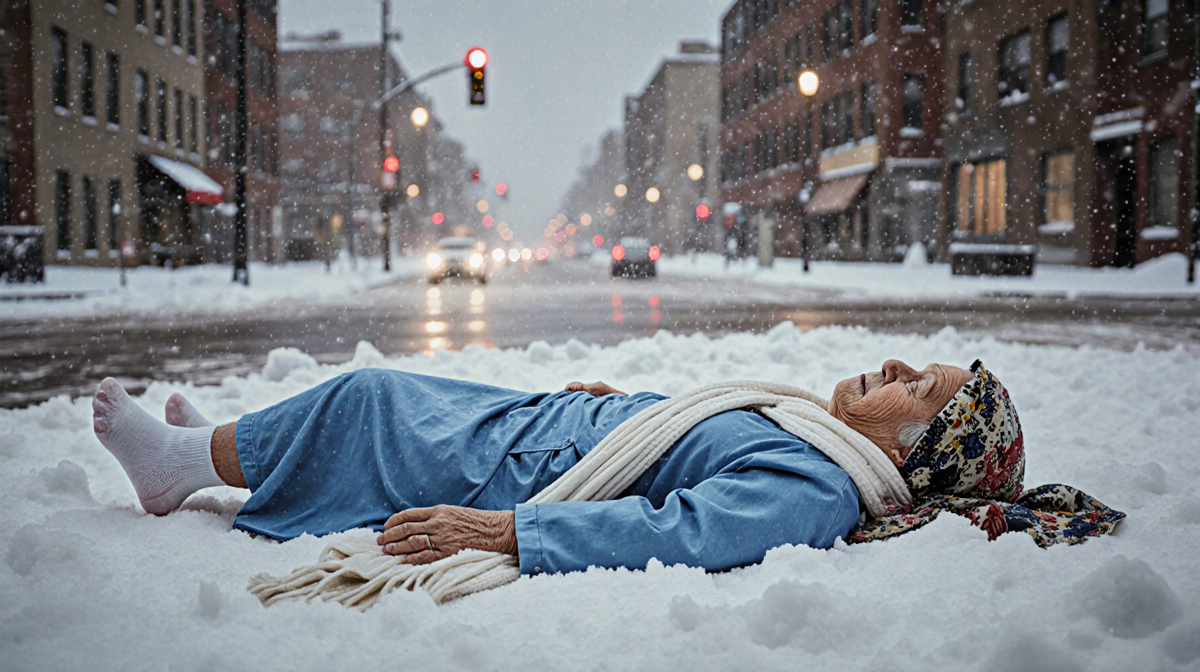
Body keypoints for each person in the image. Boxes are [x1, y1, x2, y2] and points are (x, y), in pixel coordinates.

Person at [91, 359, 1122, 578]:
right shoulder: (816, 434)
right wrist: (614, 406)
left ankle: (180, 465)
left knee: (368, 404)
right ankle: (228, 445)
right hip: (557, 429)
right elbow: (687, 434)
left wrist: (505, 532)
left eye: (922, 385)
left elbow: (678, 531)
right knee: (375, 402)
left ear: (913, 449)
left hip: (525, 476)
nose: (895, 365)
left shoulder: (819, 484)